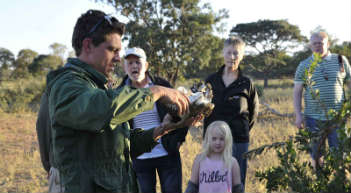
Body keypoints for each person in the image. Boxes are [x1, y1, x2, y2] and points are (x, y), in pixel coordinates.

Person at [46, 9, 195, 193]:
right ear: (88, 46)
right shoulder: (67, 84)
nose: (118, 58)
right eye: (112, 50)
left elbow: (118, 143)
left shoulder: (98, 86)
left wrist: (162, 130)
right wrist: (155, 92)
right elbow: (99, 108)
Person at [118, 47, 187, 193]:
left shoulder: (162, 86)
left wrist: (179, 139)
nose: (134, 66)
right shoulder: (120, 93)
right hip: (139, 158)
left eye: (138, 62)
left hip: (167, 153)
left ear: (147, 65)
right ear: (125, 67)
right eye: (130, 63)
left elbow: (183, 110)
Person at [203, 36, 259, 189]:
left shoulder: (246, 83)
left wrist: (242, 130)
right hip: (213, 140)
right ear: (223, 53)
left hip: (239, 140)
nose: (232, 57)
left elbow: (253, 113)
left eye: (236, 53)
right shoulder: (211, 81)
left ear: (242, 56)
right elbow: (202, 108)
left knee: (237, 182)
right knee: (213, 180)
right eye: (229, 53)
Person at [293, 31, 351, 168]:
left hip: (337, 117)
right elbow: (297, 92)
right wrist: (298, 115)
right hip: (313, 118)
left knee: (339, 153)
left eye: (321, 43)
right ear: (310, 46)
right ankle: (320, 181)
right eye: (314, 43)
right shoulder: (304, 65)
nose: (318, 46)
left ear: (328, 44)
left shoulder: (341, 60)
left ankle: (340, 183)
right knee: (316, 154)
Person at [185, 121, 243, 193]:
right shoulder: (199, 160)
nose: (218, 142)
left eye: (222, 139)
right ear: (208, 139)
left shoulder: (232, 162)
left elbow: (238, 189)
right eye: (214, 139)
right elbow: (192, 186)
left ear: (227, 140)